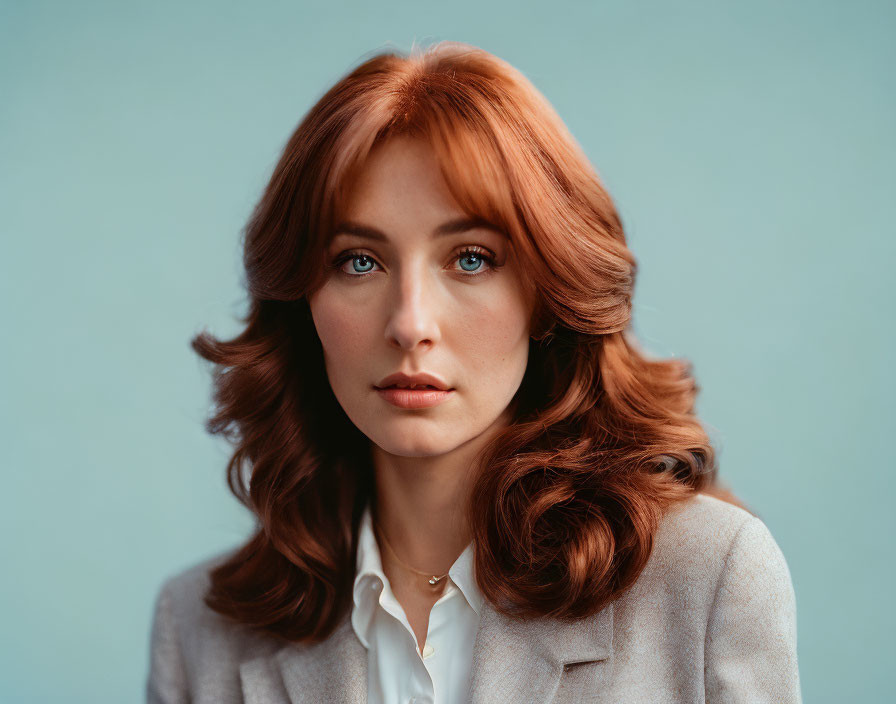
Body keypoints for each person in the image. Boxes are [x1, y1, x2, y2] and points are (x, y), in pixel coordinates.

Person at [146, 41, 801, 703]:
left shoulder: (710, 577)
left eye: (471, 260)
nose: (410, 324)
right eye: (359, 262)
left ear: (547, 296)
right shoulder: (199, 628)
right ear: (301, 303)